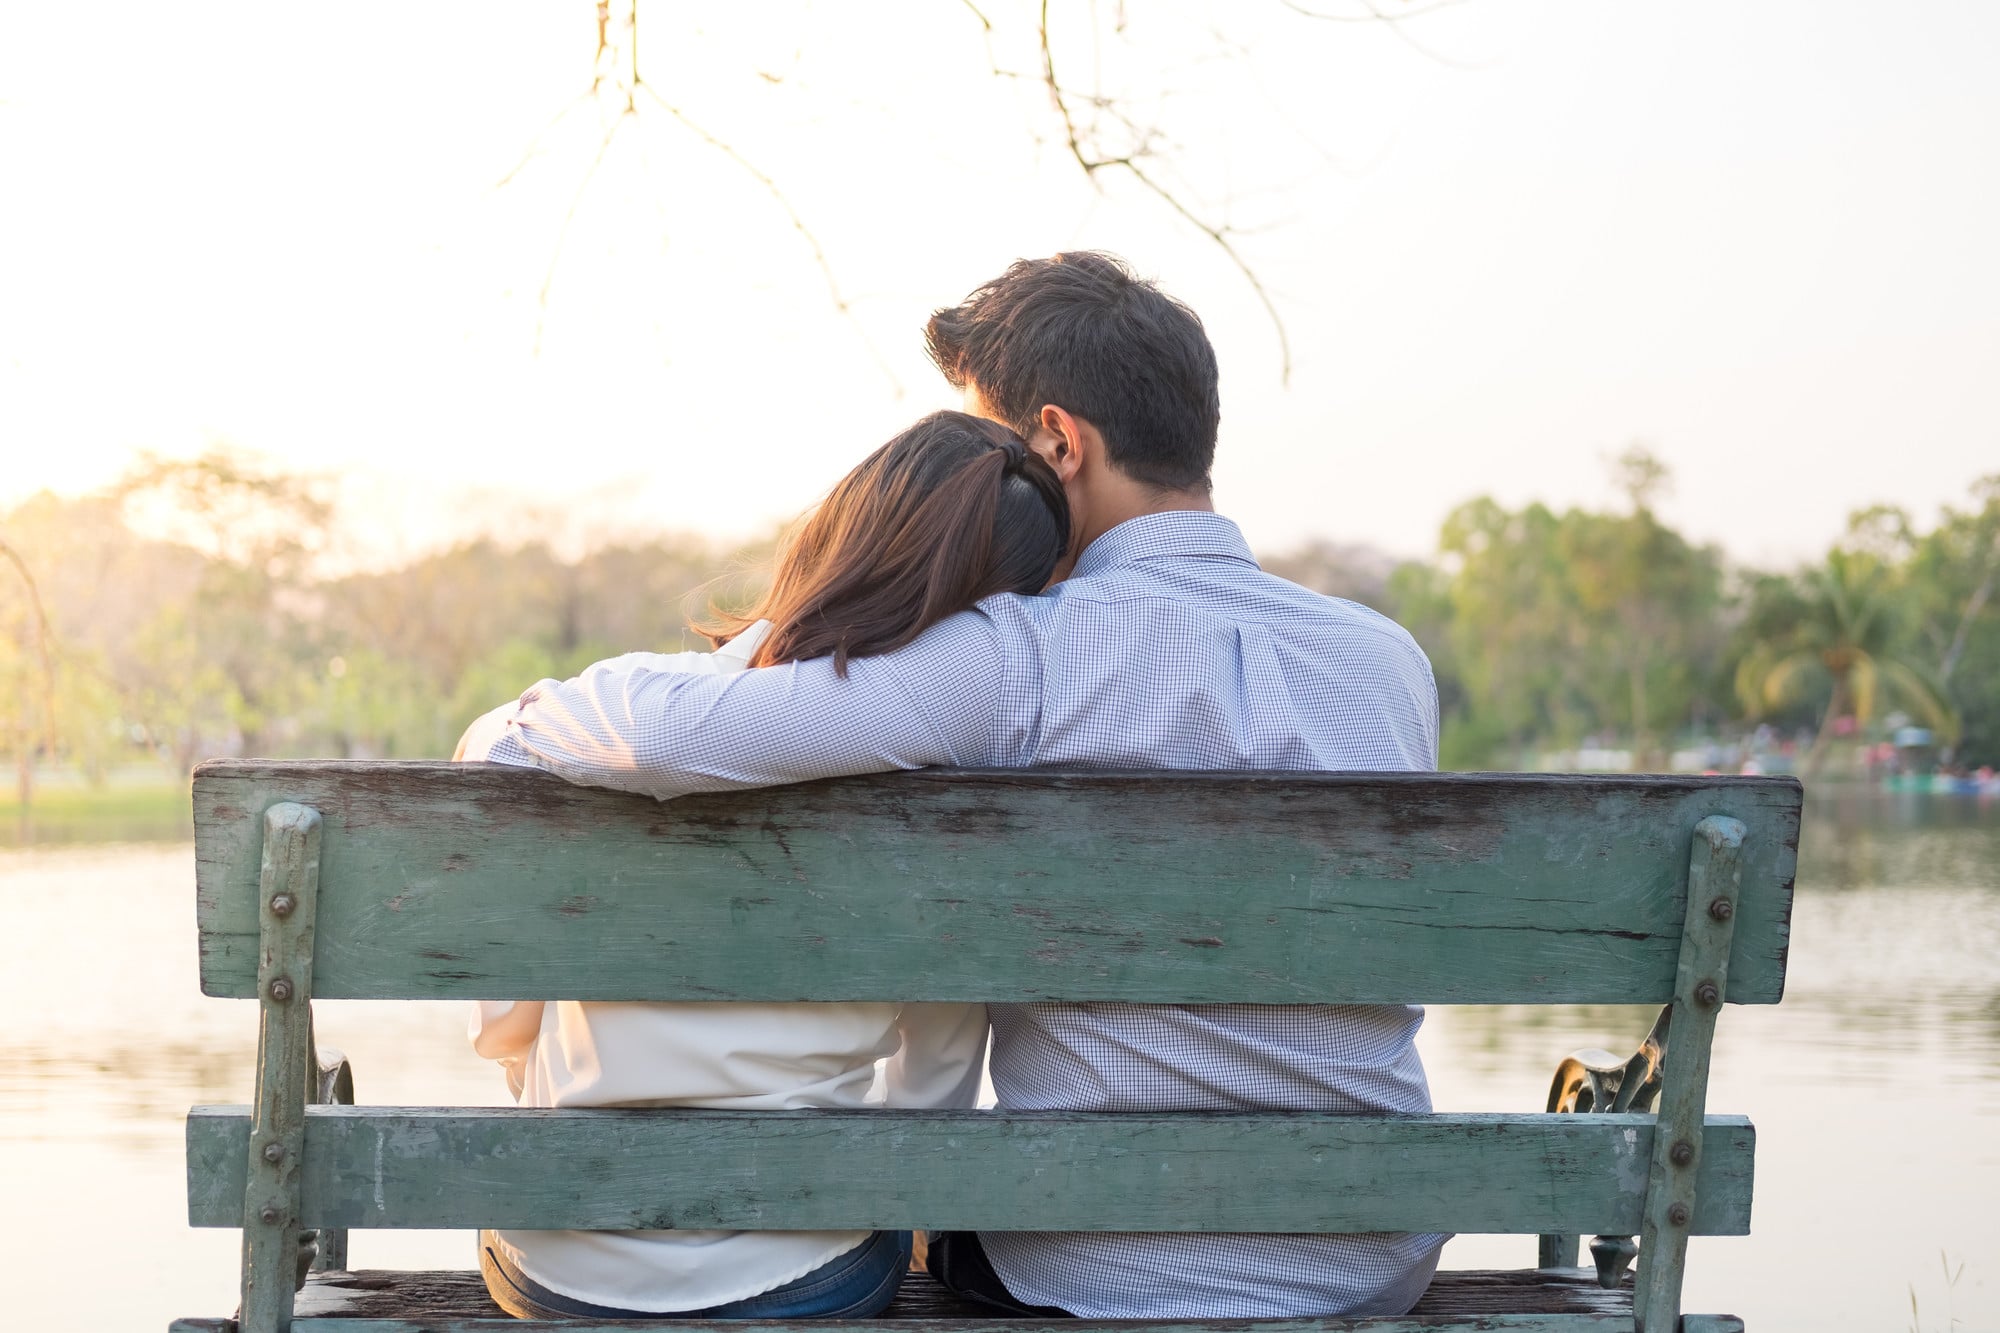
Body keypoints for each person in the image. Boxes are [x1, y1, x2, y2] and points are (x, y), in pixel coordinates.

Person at [474, 251, 1447, 1318]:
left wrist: (525, 717)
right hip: (1371, 1254)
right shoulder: (1383, 658)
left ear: (1057, 443)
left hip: (1092, 1268)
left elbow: (679, 738)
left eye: (996, 448)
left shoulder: (1012, 657)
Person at [455, 410, 1070, 1321]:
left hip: (566, 1263)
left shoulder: (618, 721)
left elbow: (505, 1023)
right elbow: (929, 1093)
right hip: (798, 1274)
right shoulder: (953, 806)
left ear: (844, 535)